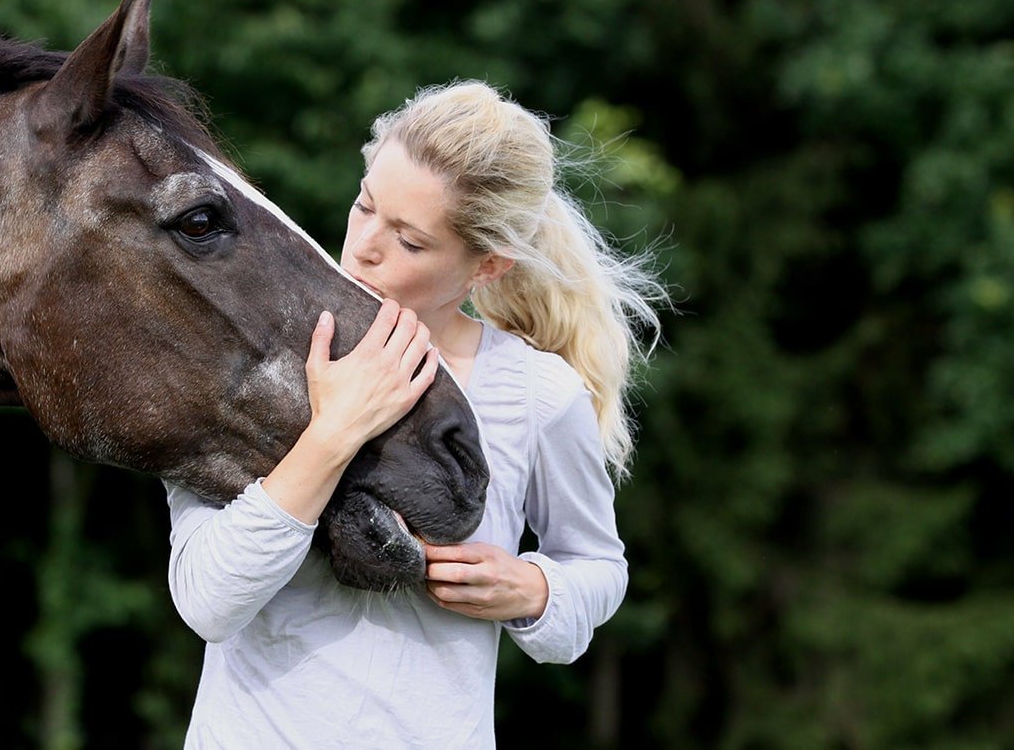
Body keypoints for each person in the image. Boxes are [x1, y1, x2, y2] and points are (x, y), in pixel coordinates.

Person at [164, 81, 664, 748]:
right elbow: (208, 601)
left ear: (486, 265)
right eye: (364, 205)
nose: (365, 245)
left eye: (409, 240)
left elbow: (599, 565)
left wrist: (534, 590)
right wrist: (336, 431)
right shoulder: (246, 351)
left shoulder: (539, 395)